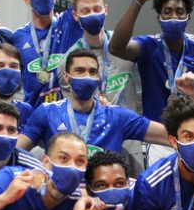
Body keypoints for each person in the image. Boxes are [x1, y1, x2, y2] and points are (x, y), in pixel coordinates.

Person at [18, 48, 169, 154]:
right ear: (66, 77)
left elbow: (170, 136)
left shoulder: (116, 116)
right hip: (61, 196)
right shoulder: (47, 112)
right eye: (79, 70)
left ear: (98, 77)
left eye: (93, 71)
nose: (87, 76)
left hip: (104, 196)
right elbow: (15, 152)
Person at [108, 0, 194, 125]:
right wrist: (139, 1)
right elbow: (116, 48)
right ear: (159, 18)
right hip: (157, 134)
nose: (174, 17)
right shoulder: (149, 46)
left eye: (180, 12)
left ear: (188, 18)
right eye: (167, 12)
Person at [57, 0, 138, 110]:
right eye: (86, 11)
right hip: (92, 127)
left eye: (96, 9)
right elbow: (71, 109)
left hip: (129, 126)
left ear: (105, 10)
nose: (92, 15)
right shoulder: (68, 61)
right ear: (75, 15)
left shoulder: (126, 47)